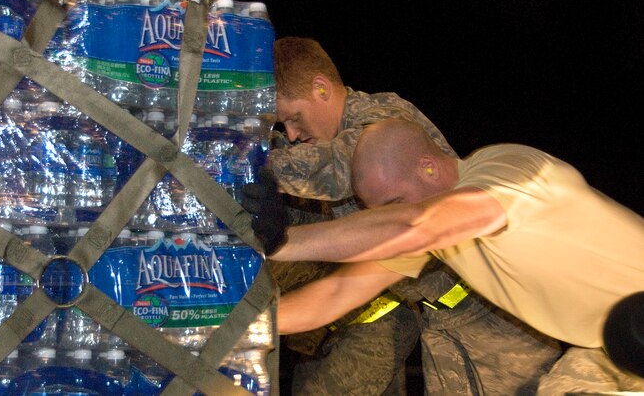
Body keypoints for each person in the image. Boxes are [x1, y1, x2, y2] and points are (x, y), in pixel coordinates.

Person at [246, 118, 644, 394]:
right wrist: (222, 325)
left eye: (394, 203)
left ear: (429, 169)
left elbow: (417, 223)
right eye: (378, 211)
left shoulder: (510, 168)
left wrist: (282, 242)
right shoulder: (431, 232)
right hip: (610, 348)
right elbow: (330, 299)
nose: (386, 219)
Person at [263, 36, 561, 395]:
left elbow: (342, 166)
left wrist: (244, 166)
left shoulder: (383, 119)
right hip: (441, 320)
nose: (292, 134)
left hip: (497, 318)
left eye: (294, 118)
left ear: (322, 88)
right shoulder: (325, 148)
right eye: (284, 127)